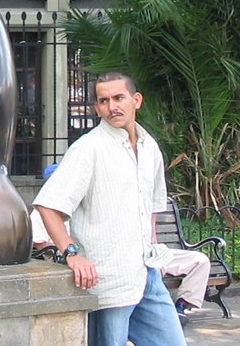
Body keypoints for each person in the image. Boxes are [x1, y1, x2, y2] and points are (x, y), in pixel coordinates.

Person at [33, 72, 186, 346]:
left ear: (136, 100)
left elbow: (152, 205)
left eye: (119, 98)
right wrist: (72, 253)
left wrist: (150, 244)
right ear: (96, 108)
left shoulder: (149, 147)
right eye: (103, 101)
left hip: (146, 274)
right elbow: (48, 205)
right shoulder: (88, 149)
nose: (112, 106)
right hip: (107, 280)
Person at [32, 162, 207, 326]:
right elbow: (42, 246)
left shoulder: (91, 205)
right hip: (84, 262)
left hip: (141, 252)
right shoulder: (43, 211)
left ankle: (180, 307)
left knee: (199, 261)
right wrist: (73, 253)